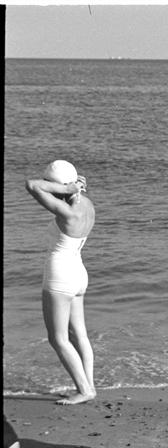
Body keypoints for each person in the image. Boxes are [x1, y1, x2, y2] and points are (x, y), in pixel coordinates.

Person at [26, 160, 97, 405]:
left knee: (58, 338)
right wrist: (72, 188)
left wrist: (66, 189)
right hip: (78, 273)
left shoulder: (66, 212)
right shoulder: (87, 205)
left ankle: (84, 390)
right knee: (79, 335)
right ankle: (89, 385)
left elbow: (32, 185)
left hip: (61, 275)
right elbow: (43, 187)